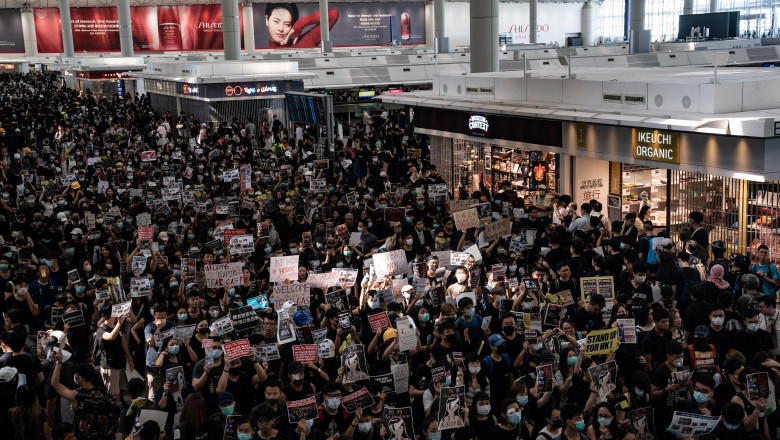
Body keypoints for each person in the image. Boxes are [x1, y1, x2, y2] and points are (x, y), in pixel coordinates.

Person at [263, 3, 339, 48]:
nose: (280, 29)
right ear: (267, 20)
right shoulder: (263, 52)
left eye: (287, 24)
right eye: (276, 21)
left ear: (292, 26)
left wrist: (300, 23)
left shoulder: (306, 41)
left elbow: (334, 14)